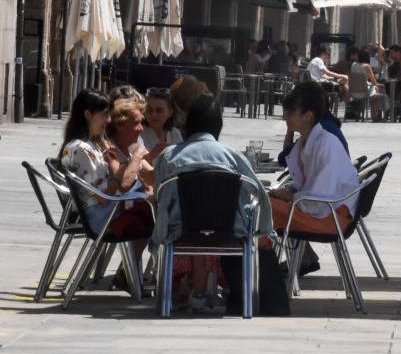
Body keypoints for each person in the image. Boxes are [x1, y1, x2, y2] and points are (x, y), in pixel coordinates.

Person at [152, 94, 274, 310]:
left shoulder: (168, 156)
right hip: (229, 231)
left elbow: (160, 194)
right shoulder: (234, 157)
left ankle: (181, 293)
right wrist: (264, 229)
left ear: (188, 124)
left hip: (180, 231)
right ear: (218, 125)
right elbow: (259, 193)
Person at [58, 90, 154, 279]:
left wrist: (118, 166)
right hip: (101, 217)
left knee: (155, 211)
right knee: (160, 218)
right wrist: (124, 168)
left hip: (101, 213)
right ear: (88, 115)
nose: (108, 120)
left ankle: (134, 275)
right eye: (104, 115)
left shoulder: (87, 145)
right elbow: (103, 198)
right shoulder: (81, 149)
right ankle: (136, 276)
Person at [270, 82, 361, 235]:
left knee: (262, 209)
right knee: (263, 203)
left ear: (307, 116)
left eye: (291, 112)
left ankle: (265, 256)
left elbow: (319, 199)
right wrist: (289, 193)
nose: (284, 117)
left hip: (333, 216)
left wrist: (291, 196)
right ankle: (277, 256)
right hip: (325, 209)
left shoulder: (326, 144)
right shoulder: (307, 142)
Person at [140, 87, 183, 159]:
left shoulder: (175, 133)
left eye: (159, 110)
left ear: (170, 112)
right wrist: (151, 156)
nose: (153, 115)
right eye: (149, 110)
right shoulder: (139, 133)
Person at [349, 48, 386, 121]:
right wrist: (378, 86)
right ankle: (376, 114)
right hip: (364, 91)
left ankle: (374, 114)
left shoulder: (353, 65)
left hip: (353, 91)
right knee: (378, 91)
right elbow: (373, 80)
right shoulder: (366, 66)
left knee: (375, 89)